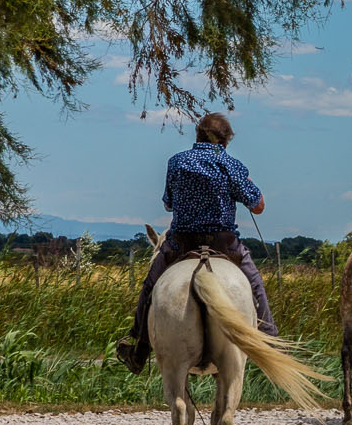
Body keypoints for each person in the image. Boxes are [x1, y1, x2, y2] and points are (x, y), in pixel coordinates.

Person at [115, 112, 276, 373]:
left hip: (182, 242)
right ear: (225, 140)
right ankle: (270, 340)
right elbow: (258, 206)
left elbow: (168, 204)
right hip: (224, 243)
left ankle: (139, 348)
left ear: (198, 135)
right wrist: (246, 184)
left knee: (150, 286)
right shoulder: (231, 164)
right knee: (255, 284)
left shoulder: (177, 162)